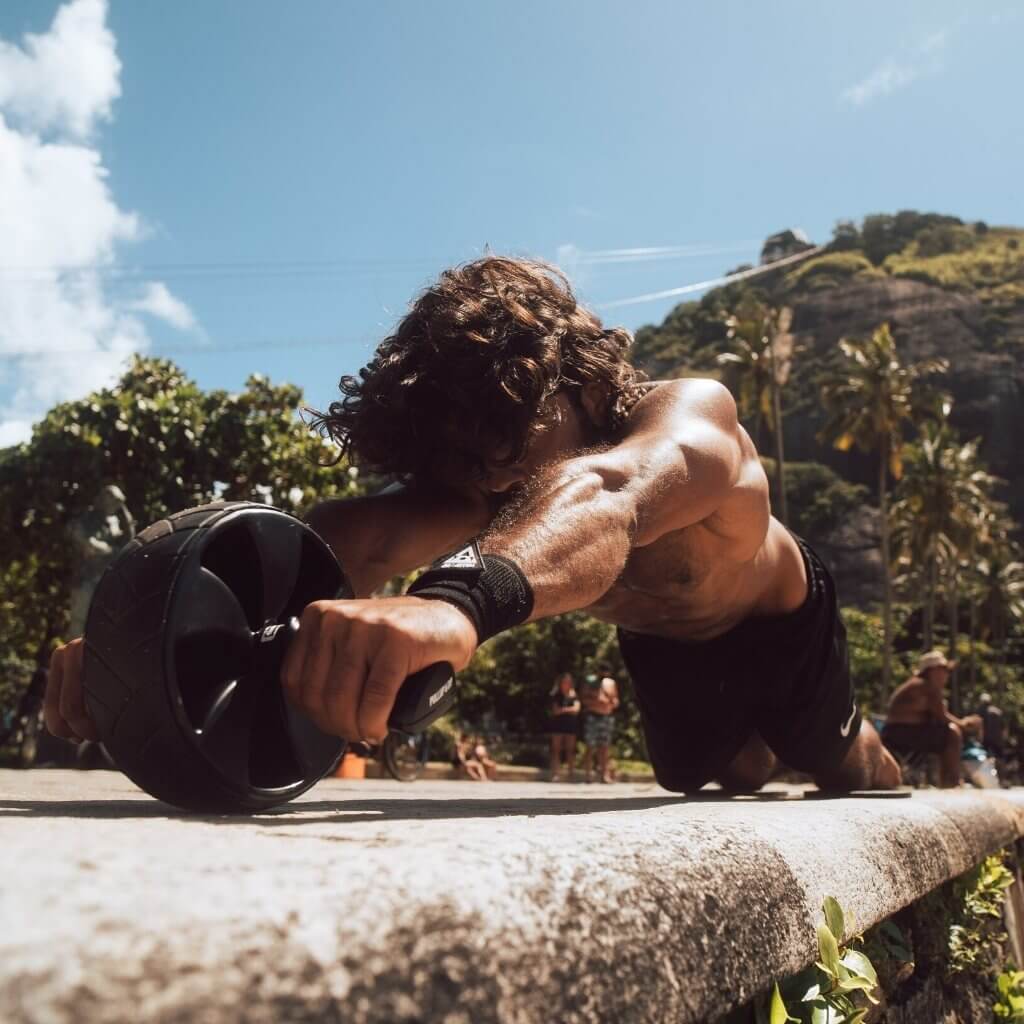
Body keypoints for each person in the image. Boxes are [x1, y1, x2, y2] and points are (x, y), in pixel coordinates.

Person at [45, 256, 900, 794]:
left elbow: (609, 490)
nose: (490, 478)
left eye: (506, 429)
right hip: (666, 649)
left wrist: (454, 602)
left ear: (577, 378)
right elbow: (358, 539)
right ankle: (753, 749)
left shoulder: (690, 416)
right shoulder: (485, 475)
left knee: (841, 771)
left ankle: (855, 744)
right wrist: (156, 631)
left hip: (779, 624)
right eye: (463, 459)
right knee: (715, 776)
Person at [882, 650, 981, 788]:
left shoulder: (916, 684)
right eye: (944, 669)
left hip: (893, 733)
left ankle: (947, 781)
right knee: (952, 733)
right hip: (903, 734)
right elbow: (943, 717)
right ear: (932, 671)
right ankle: (951, 782)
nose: (947, 674)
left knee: (946, 732)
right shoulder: (927, 686)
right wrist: (964, 724)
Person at [580, 672, 619, 783]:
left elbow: (616, 701)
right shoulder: (590, 681)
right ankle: (588, 775)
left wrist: (609, 702)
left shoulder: (611, 683)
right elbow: (583, 699)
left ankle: (604, 775)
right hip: (593, 716)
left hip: (606, 717)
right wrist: (596, 701)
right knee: (590, 746)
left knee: (605, 747)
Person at [548, 673, 581, 782]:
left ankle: (571, 774)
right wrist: (568, 709)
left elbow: (576, 709)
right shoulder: (555, 695)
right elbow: (555, 711)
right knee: (556, 750)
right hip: (557, 725)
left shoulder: (574, 695)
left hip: (570, 725)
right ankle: (555, 774)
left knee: (570, 750)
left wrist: (563, 710)